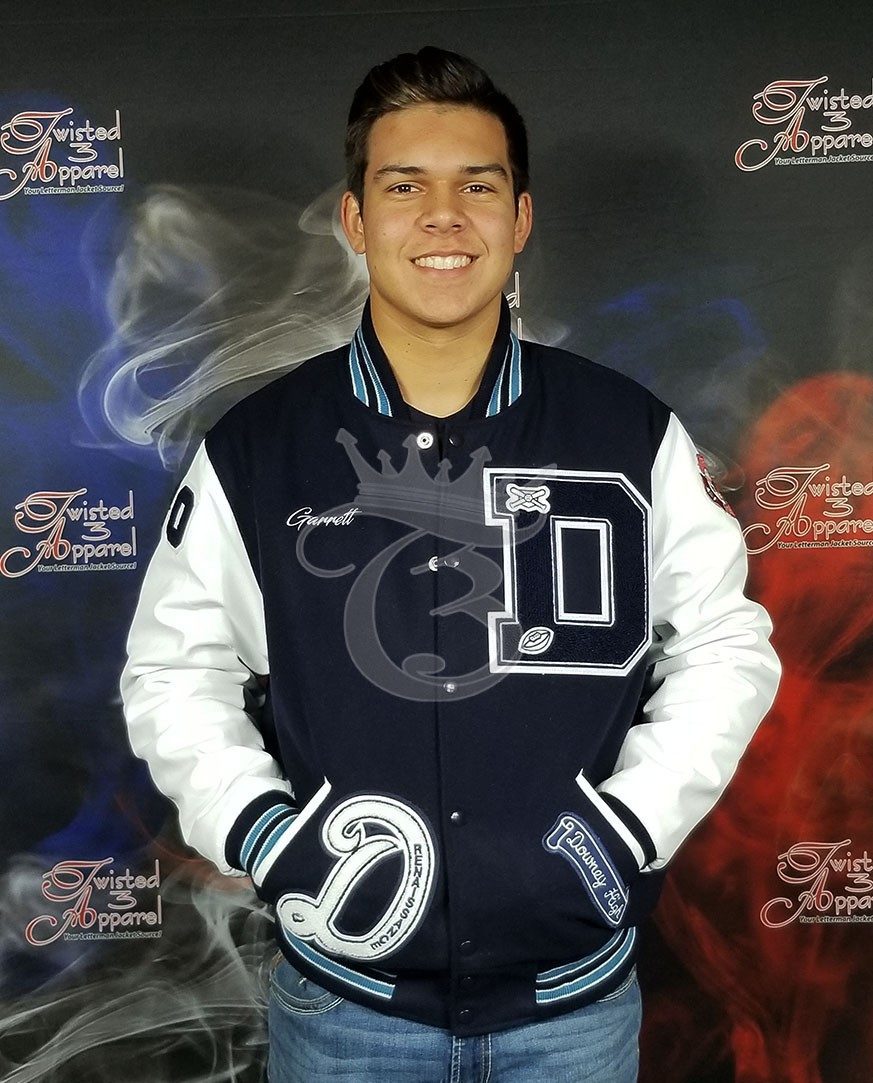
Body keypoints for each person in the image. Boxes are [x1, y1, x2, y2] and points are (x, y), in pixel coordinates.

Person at [121, 46, 781, 1083]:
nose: (442, 216)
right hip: (346, 1012)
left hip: (572, 1012)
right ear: (354, 220)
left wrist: (627, 828)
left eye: (477, 186)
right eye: (404, 187)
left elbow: (726, 645)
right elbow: (172, 673)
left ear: (520, 220)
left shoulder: (627, 432)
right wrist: (263, 833)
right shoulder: (258, 450)